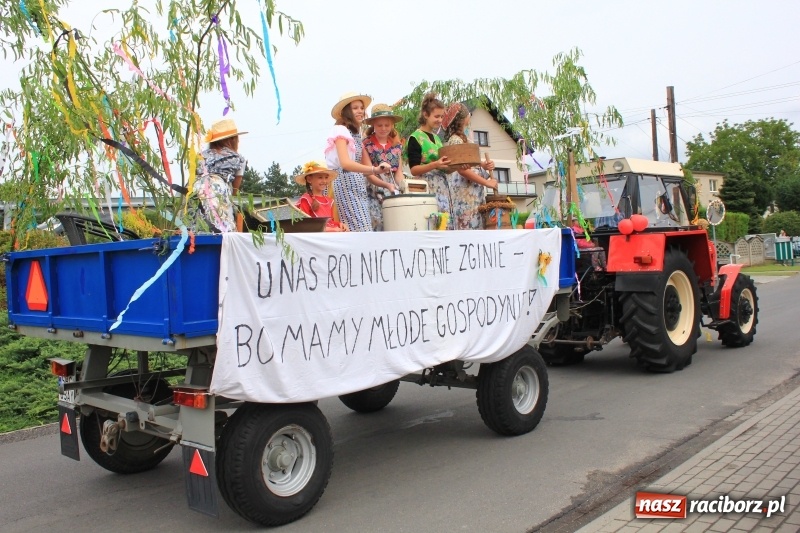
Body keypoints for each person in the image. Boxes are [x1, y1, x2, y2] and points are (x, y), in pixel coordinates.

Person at [325, 92, 391, 232]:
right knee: (357, 229)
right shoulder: (340, 130)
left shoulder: (357, 135)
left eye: (362, 108)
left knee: (364, 228)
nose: (360, 111)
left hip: (358, 185)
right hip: (344, 182)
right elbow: (346, 163)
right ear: (346, 112)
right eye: (355, 108)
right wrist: (374, 169)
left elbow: (368, 169)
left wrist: (386, 184)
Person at [441, 102, 497, 230]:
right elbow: (462, 170)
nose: (469, 116)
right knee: (468, 230)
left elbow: (469, 162)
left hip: (473, 196)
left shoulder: (464, 138)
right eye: (468, 114)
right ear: (462, 119)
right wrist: (487, 182)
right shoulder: (456, 140)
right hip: (465, 197)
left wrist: (483, 165)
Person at [192, 118, 247, 233]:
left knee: (196, 228)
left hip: (195, 194)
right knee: (222, 230)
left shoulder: (200, 156)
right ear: (233, 139)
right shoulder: (238, 159)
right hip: (219, 196)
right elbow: (234, 190)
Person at [408, 93, 453, 229]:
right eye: (436, 116)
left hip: (442, 187)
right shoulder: (415, 138)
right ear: (425, 115)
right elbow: (414, 169)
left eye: (442, 117)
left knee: (445, 225)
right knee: (431, 225)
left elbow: (443, 166)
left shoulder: (437, 138)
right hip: (426, 188)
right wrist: (435, 164)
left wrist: (456, 166)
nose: (440, 120)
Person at [363, 103, 405, 231]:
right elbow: (369, 174)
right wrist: (386, 185)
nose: (383, 128)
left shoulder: (397, 145)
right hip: (374, 190)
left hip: (393, 189)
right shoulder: (366, 144)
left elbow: (399, 172)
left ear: (392, 125)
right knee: (378, 225)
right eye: (379, 125)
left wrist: (403, 186)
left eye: (387, 125)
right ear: (373, 125)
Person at [294, 161, 347, 232]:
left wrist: (339, 224)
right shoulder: (306, 199)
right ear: (309, 179)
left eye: (326, 177)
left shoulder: (330, 201)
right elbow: (305, 224)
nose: (324, 181)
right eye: (320, 177)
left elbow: (330, 222)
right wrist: (330, 230)